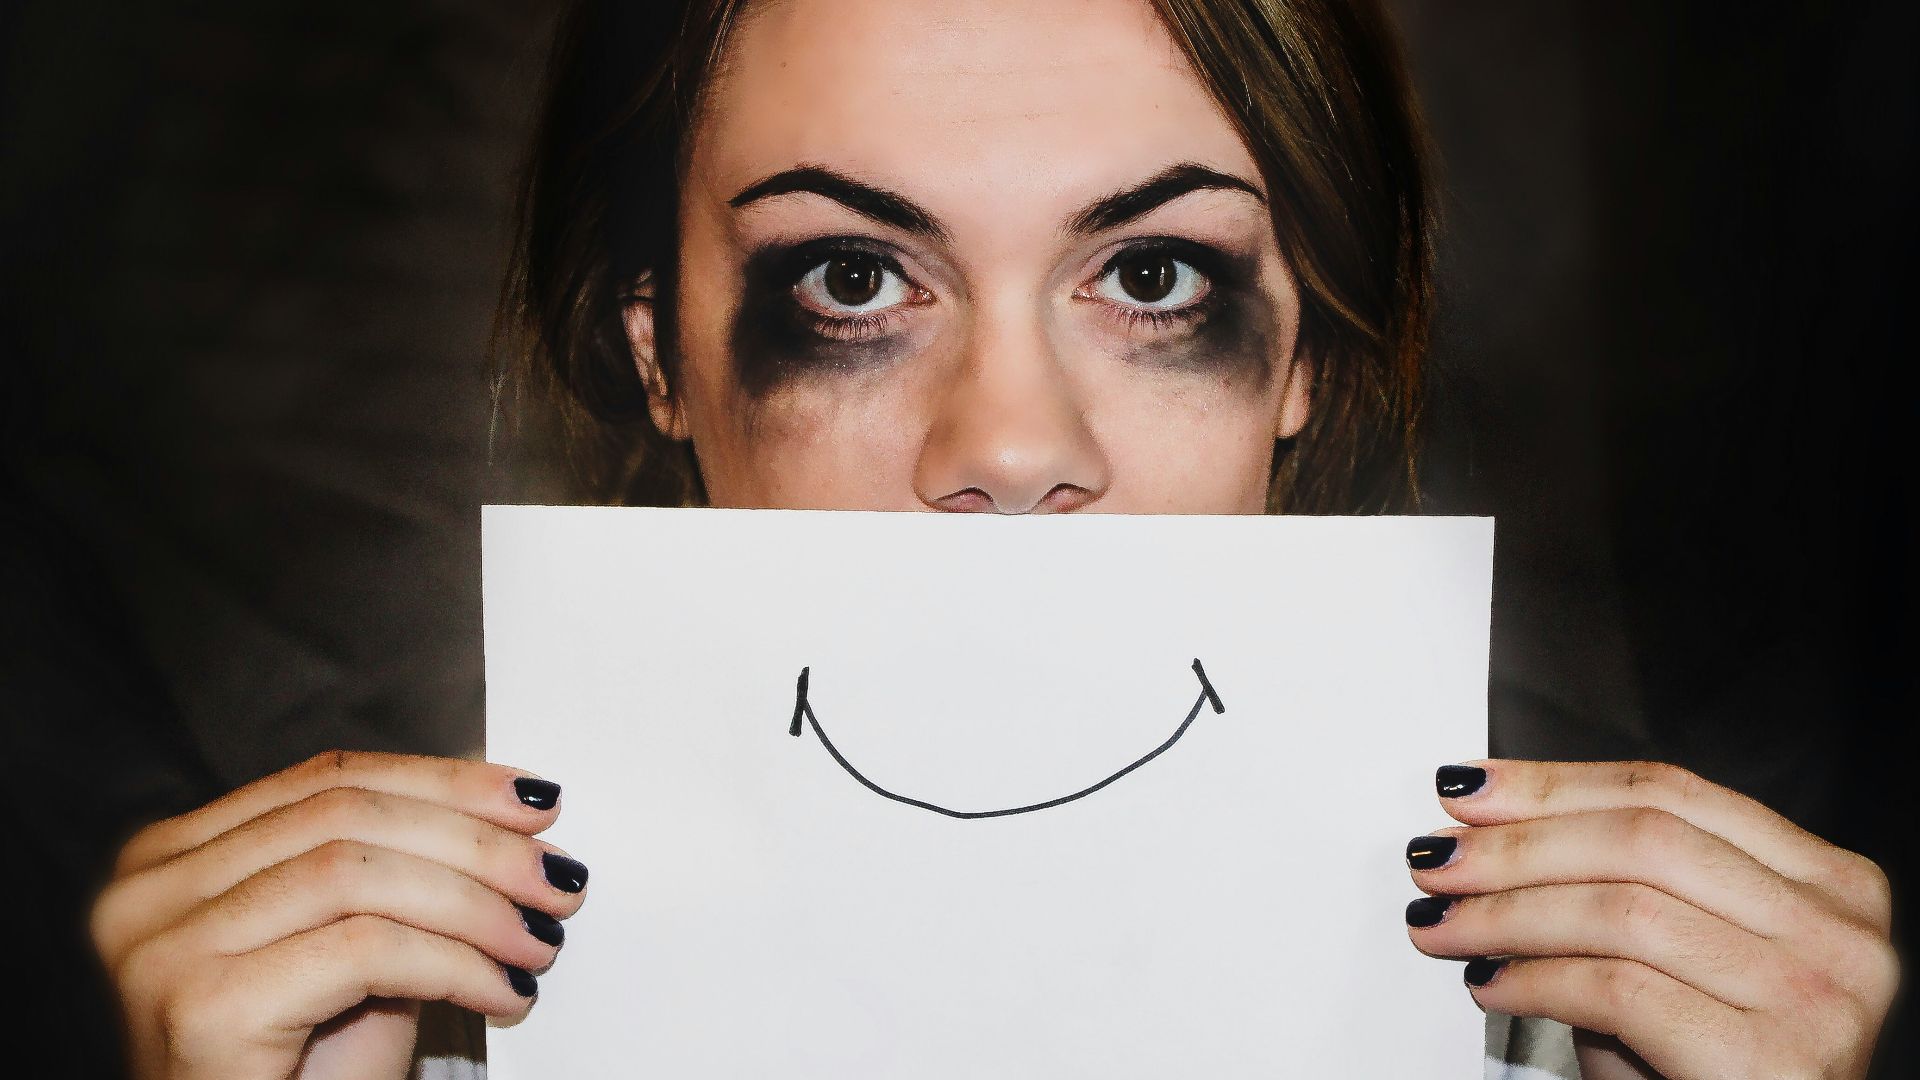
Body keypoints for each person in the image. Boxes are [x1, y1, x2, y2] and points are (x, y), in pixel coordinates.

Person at [92, 1, 1899, 1077]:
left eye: (1153, 276)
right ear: (661, 354)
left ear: (1305, 366)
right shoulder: (391, 1033)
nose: (1012, 449)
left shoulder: (1609, 1036)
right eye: (856, 278)